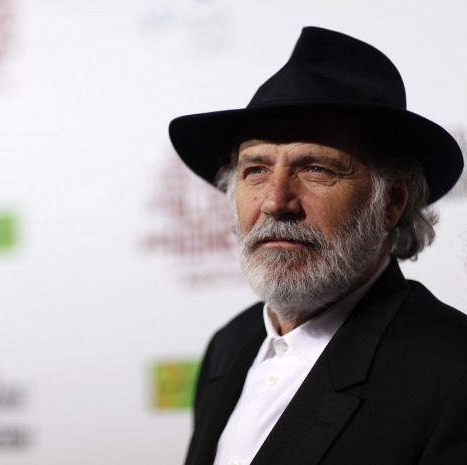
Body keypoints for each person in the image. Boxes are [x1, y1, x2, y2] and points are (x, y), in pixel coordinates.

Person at [169, 26, 467, 465]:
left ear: (391, 201)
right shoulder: (230, 345)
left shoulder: (453, 369)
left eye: (316, 169)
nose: (276, 201)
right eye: (256, 170)